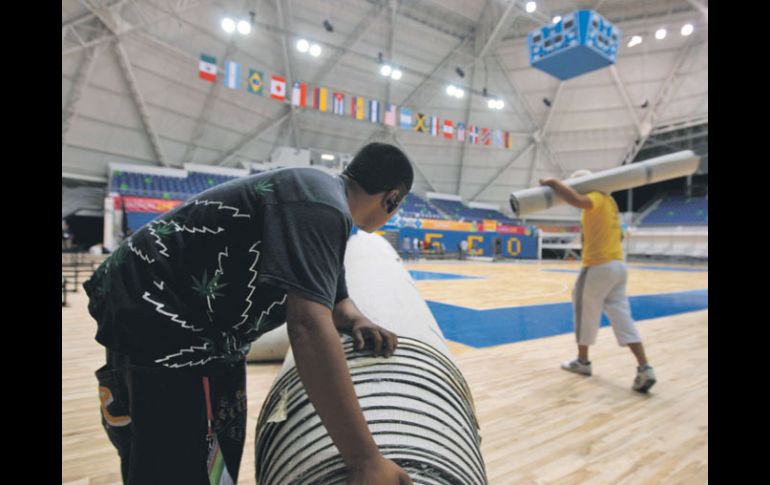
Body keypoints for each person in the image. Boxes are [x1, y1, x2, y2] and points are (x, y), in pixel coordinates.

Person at [84, 142, 416, 484]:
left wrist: (357, 318)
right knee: (178, 464)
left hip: (182, 323)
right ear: (392, 198)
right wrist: (364, 459)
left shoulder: (322, 199)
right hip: (163, 324)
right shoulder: (321, 206)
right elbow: (308, 326)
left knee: (214, 456)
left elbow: (334, 297)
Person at [540, 170, 656, 393]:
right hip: (618, 267)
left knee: (584, 310)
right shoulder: (611, 202)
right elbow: (620, 235)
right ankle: (644, 367)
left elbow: (576, 199)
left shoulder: (596, 197)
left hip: (598, 266)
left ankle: (583, 362)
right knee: (623, 319)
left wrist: (554, 182)